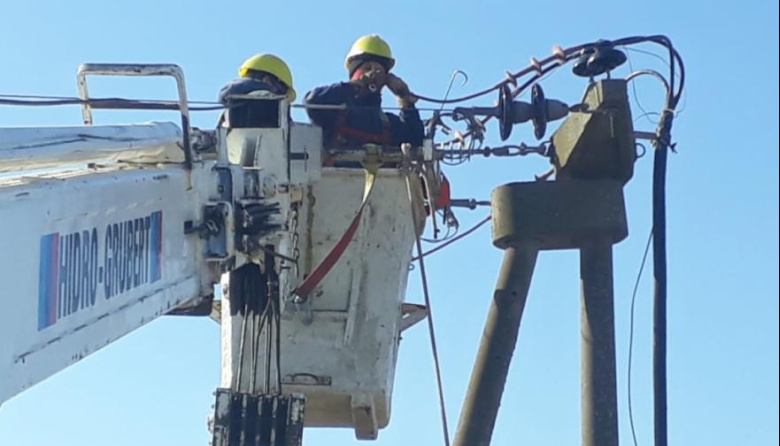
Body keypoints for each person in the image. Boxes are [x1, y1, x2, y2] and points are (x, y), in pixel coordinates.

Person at [304, 35, 424, 149]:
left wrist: (405, 99)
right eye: (367, 68)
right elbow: (312, 102)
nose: (373, 75)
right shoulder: (333, 113)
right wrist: (354, 86)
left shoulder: (388, 124)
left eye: (378, 71)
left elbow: (416, 141)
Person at [218, 54, 296, 128]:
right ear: (267, 81)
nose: (282, 99)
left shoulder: (226, 115)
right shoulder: (268, 103)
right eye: (280, 91)